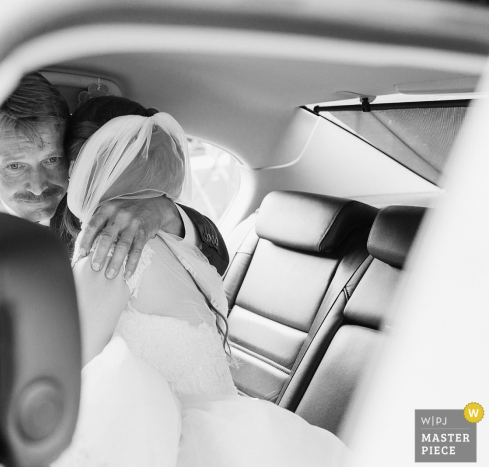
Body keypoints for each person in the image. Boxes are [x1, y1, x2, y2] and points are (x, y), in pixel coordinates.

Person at [52, 96, 350, 467]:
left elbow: (60, 375)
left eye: (68, 166)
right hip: (226, 432)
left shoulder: (113, 251)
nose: (61, 180)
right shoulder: (179, 247)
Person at [0, 72, 229, 278]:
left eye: (52, 159)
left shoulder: (99, 198)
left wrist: (167, 215)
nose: (38, 186)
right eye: (15, 166)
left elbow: (217, 263)